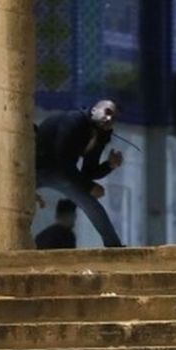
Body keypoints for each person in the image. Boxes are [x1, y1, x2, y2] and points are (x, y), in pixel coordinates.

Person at [34, 100, 124, 247]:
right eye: (107, 112)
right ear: (94, 110)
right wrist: (88, 186)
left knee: (92, 205)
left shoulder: (100, 135)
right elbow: (59, 160)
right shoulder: (74, 121)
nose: (109, 119)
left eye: (113, 118)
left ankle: (114, 247)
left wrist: (109, 165)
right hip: (39, 169)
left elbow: (89, 171)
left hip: (63, 174)